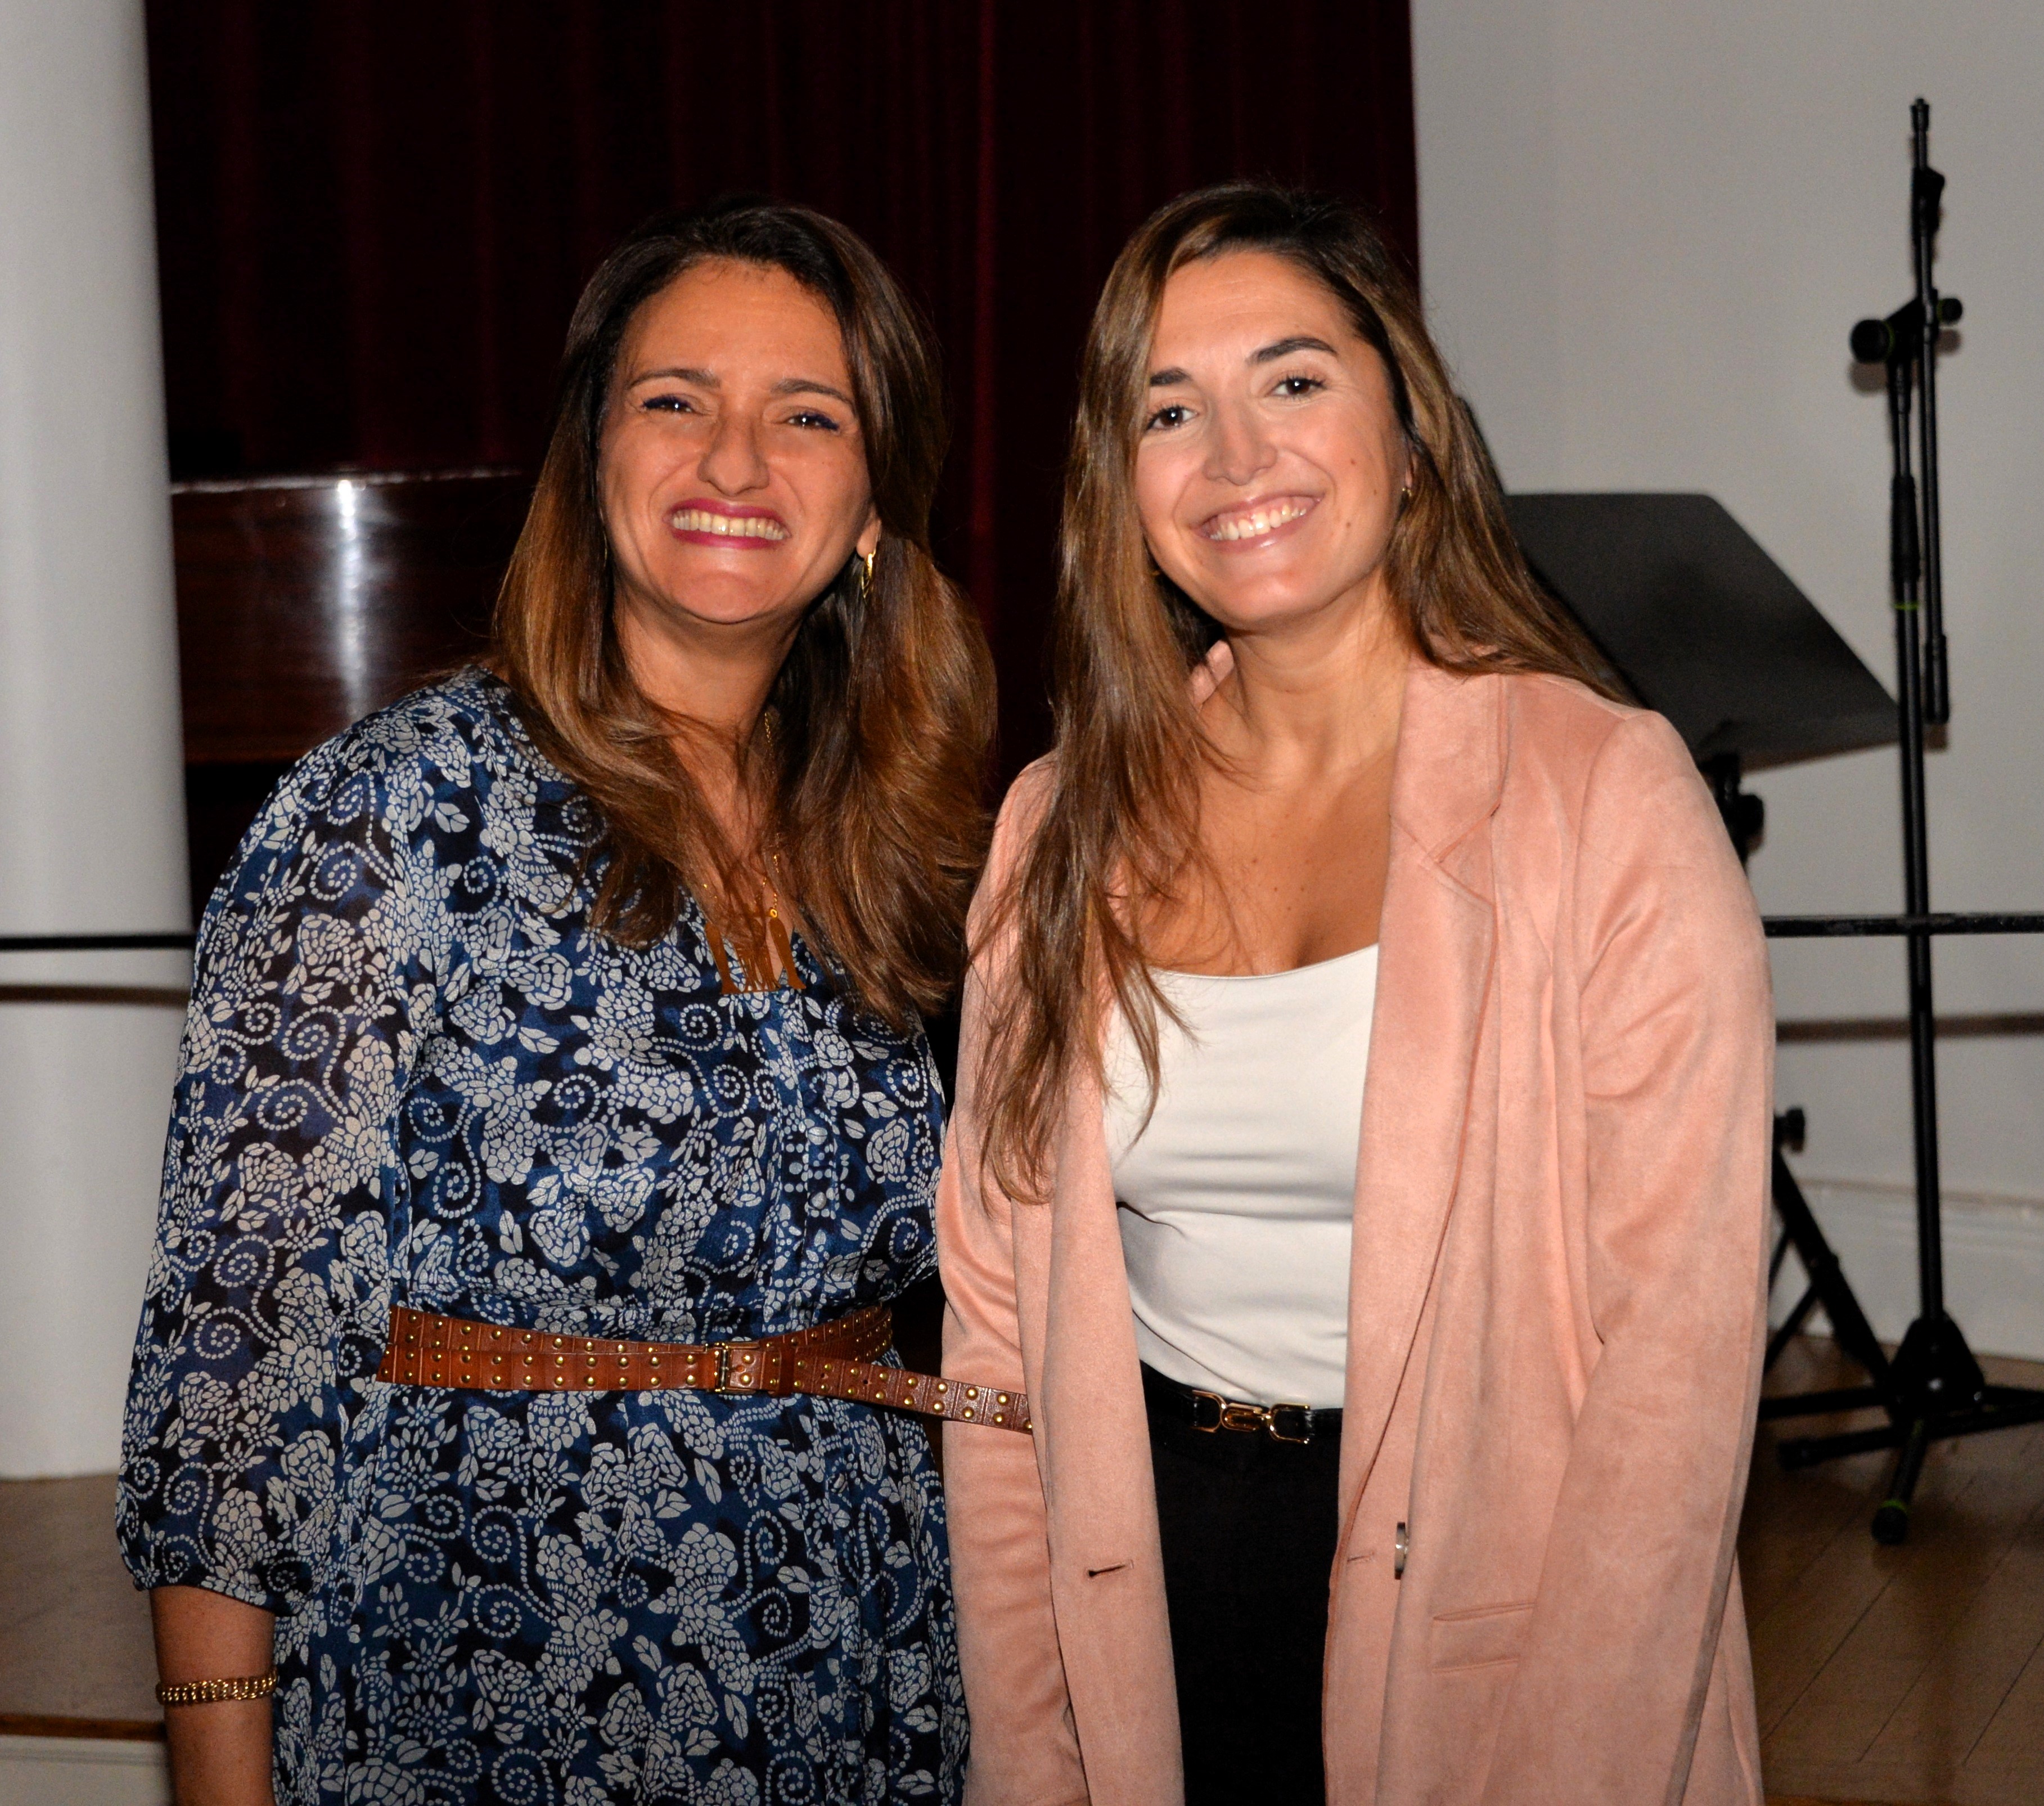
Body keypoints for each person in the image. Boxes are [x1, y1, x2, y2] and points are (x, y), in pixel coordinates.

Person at [120, 199, 994, 1806]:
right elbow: (231, 1369)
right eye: (676, 400)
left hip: (857, 1670)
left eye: (808, 416)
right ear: (591, 463)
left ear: (874, 503)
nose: (736, 461)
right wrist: (220, 1774)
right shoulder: (390, 817)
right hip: (489, 1687)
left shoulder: (905, 844)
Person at [937, 182, 1772, 1805]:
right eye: (1169, 410)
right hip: (1151, 1584)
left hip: (1495, 1605)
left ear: (1410, 431)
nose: (1236, 456)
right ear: (1120, 482)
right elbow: (994, 1332)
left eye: (1294, 380)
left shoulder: (1602, 795)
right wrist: (1032, 1747)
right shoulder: (1060, 824)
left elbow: (1669, 1384)